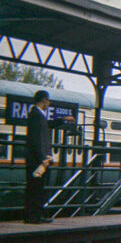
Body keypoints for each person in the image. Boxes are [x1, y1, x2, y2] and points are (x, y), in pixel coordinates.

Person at [24, 90, 75, 224]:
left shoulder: (37, 115)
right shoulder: (35, 115)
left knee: (37, 189)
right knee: (35, 189)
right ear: (44, 100)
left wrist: (63, 120)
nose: (49, 104)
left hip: (38, 159)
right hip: (38, 161)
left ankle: (35, 216)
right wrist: (43, 159)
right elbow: (36, 139)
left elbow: (48, 125)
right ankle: (33, 217)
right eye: (48, 101)